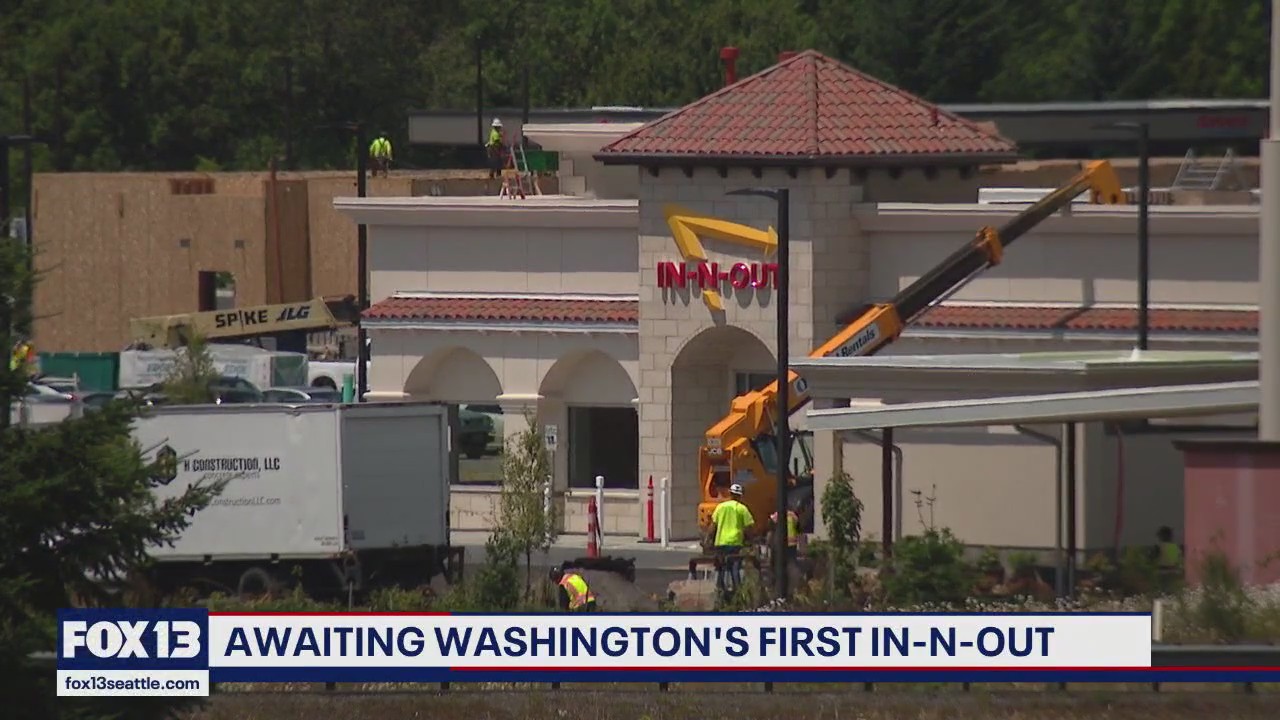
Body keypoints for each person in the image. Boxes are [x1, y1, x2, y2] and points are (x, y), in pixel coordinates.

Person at [710, 483, 754, 598]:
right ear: (740, 496)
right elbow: (749, 528)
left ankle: (719, 593)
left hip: (720, 543)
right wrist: (751, 540)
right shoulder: (742, 509)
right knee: (735, 568)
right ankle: (738, 594)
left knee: (721, 568)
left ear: (730, 494)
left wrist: (708, 540)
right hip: (735, 543)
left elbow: (713, 526)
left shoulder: (720, 507)